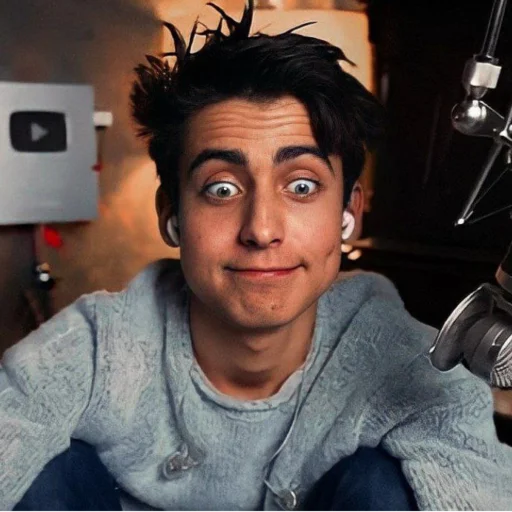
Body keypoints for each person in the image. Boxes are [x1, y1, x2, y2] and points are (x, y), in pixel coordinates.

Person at [2, 1, 512, 510]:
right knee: (51, 471)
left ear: (348, 214)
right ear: (171, 215)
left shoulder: (410, 366)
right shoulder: (99, 349)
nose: (261, 230)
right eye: (221, 189)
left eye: (302, 185)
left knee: (385, 483)